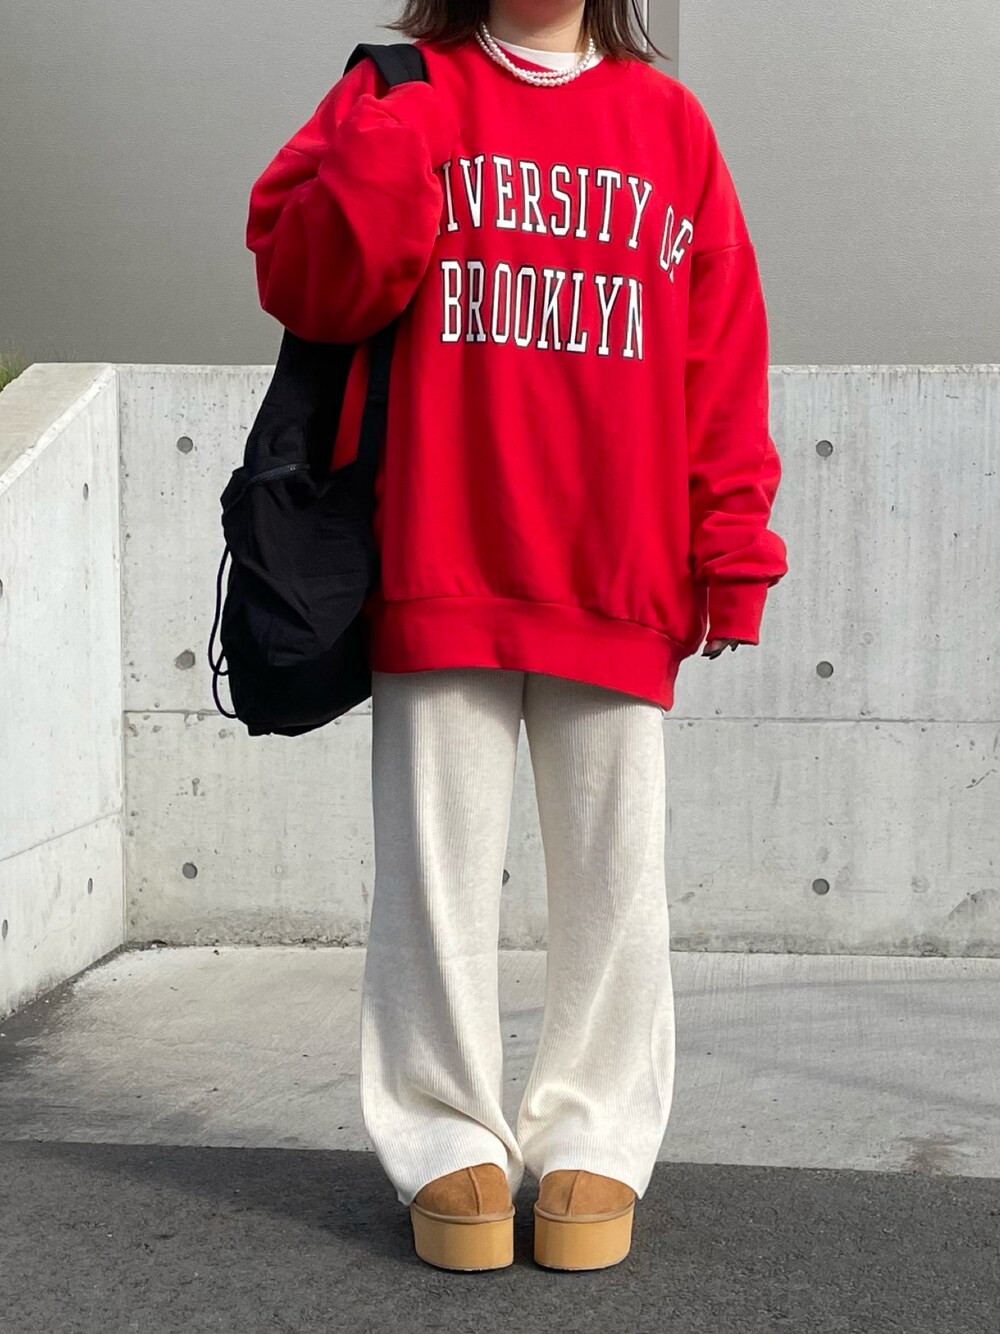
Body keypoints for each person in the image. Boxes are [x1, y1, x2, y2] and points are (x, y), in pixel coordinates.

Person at [246, 0, 787, 1274]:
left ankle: (598, 1126)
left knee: (615, 875)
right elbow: (307, 283)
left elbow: (720, 356)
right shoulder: (398, 86)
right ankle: (443, 1133)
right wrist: (396, 137)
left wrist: (732, 547)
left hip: (617, 567)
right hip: (439, 552)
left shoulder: (670, 125)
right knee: (431, 876)